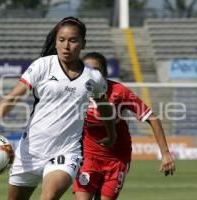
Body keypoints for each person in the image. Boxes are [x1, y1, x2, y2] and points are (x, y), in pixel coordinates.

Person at [0, 17, 117, 200]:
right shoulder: (42, 66)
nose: (66, 46)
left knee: (48, 197)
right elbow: (14, 96)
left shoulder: (93, 77)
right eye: (61, 40)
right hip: (30, 152)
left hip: (66, 152)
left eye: (73, 40)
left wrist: (111, 134)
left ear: (83, 43)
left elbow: (104, 105)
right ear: (56, 42)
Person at [73, 52, 176, 200]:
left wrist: (165, 153)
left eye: (96, 70)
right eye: (86, 69)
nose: (91, 74)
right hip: (88, 158)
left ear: (104, 73)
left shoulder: (119, 92)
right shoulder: (76, 92)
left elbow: (152, 118)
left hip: (117, 159)